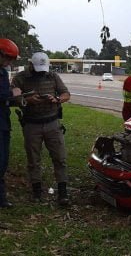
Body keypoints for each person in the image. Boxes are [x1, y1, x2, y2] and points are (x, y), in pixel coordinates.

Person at [11, 52, 71, 205]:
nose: (42, 72)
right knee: (33, 160)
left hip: (52, 123)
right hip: (32, 124)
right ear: (31, 65)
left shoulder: (52, 76)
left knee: (60, 158)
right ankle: (37, 192)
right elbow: (14, 98)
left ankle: (63, 192)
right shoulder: (20, 78)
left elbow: (66, 93)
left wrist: (57, 99)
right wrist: (26, 100)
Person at [0, 39, 21, 208]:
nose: (10, 62)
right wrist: (12, 93)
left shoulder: (3, 73)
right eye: (8, 58)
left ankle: (1, 198)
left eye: (12, 59)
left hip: (3, 121)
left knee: (3, 160)